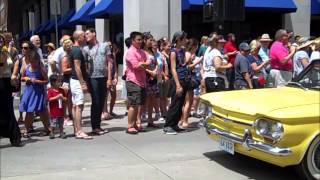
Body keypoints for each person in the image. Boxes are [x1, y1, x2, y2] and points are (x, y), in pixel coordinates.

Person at [83, 28, 112, 135]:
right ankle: (94, 126)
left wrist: (109, 78)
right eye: (85, 34)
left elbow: (110, 62)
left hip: (103, 77)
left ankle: (98, 126)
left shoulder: (105, 46)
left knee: (102, 101)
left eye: (87, 33)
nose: (86, 36)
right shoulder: (85, 49)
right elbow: (84, 66)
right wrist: (85, 81)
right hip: (92, 78)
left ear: (94, 33)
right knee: (95, 101)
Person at [19, 50, 52, 138]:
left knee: (42, 111)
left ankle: (47, 128)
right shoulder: (27, 67)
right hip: (29, 92)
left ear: (38, 60)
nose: (33, 63)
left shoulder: (41, 69)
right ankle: (26, 129)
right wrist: (25, 79)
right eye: (32, 61)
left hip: (38, 92)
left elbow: (46, 81)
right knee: (29, 111)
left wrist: (37, 81)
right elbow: (21, 78)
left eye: (35, 61)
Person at [163, 31, 189, 135]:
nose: (186, 40)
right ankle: (168, 125)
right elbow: (173, 68)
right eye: (184, 39)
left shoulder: (182, 50)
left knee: (180, 103)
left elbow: (183, 64)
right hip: (177, 80)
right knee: (175, 103)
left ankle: (174, 124)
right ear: (178, 39)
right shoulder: (173, 52)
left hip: (184, 78)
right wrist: (178, 84)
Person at [125, 31, 150, 134]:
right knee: (133, 104)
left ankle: (135, 124)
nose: (140, 42)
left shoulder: (141, 52)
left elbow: (149, 62)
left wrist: (143, 63)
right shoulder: (130, 52)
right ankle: (130, 126)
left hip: (142, 81)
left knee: (138, 105)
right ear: (132, 40)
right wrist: (144, 64)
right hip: (133, 80)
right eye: (138, 40)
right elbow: (136, 66)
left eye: (141, 40)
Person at [69, 30, 92, 139]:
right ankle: (79, 131)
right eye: (83, 36)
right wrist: (82, 82)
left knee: (75, 106)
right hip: (77, 81)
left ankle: (76, 130)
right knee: (79, 106)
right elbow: (77, 67)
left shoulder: (73, 49)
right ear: (78, 38)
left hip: (73, 80)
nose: (85, 37)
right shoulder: (77, 50)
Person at [0, 33, 21, 146]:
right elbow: (2, 65)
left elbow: (15, 62)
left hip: (6, 82)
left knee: (8, 110)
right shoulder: (3, 53)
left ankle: (15, 137)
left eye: (1, 40)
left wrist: (14, 75)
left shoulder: (7, 52)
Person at [47, 74, 67, 139]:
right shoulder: (50, 90)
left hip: (61, 111)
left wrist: (63, 98)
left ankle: (61, 132)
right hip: (54, 111)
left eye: (60, 81)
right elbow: (49, 99)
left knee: (61, 123)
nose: (60, 83)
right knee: (53, 123)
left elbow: (65, 99)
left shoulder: (61, 90)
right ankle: (52, 132)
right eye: (58, 81)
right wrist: (57, 97)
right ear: (53, 82)